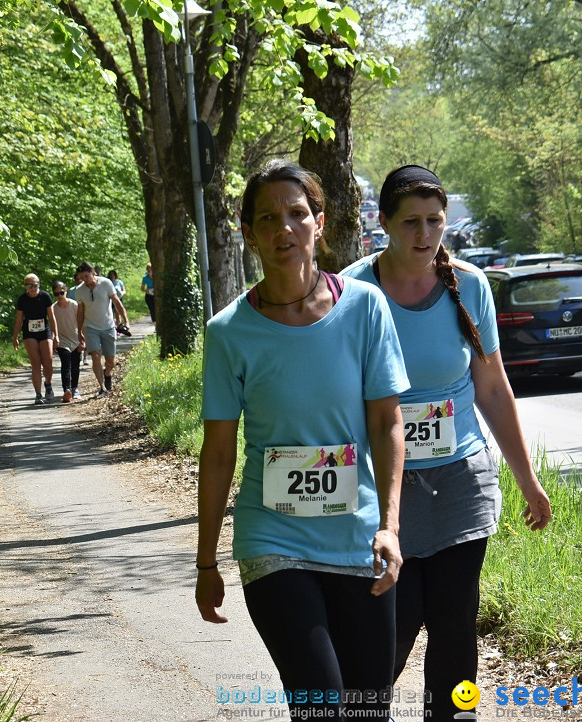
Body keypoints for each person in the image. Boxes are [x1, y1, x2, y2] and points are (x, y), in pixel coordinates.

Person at [196, 159, 409, 722]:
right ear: (249, 232)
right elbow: (218, 453)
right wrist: (205, 563)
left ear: (320, 222)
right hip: (274, 537)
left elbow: (388, 423)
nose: (283, 229)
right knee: (320, 703)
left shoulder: (366, 308)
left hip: (356, 535)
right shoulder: (228, 333)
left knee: (369, 709)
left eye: (297, 214)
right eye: (268, 218)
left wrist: (389, 525)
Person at [341, 165, 553, 720]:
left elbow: (492, 386)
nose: (425, 234)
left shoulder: (469, 284)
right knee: (392, 627)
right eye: (410, 221)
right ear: (382, 223)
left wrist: (527, 480)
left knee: (456, 628)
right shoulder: (352, 290)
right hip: (387, 488)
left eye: (435, 221)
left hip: (461, 478)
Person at [76, 262, 129, 398]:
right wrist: (79, 332)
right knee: (95, 355)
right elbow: (80, 312)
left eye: (86, 276)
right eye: (81, 278)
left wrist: (126, 320)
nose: (85, 280)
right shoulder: (80, 290)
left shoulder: (106, 284)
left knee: (110, 361)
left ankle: (107, 374)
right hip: (90, 327)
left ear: (93, 273)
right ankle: (102, 387)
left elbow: (117, 302)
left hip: (108, 326)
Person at [12, 273, 58, 405]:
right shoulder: (22, 299)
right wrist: (15, 337)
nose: (33, 287)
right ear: (25, 286)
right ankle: (38, 394)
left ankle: (48, 384)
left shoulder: (45, 296)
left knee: (48, 361)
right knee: (36, 363)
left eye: (36, 284)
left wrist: (56, 335)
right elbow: (19, 319)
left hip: (45, 331)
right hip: (29, 332)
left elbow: (52, 317)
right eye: (30, 285)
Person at [51, 280, 83, 402]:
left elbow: (81, 322)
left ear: (66, 291)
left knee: (75, 364)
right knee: (66, 363)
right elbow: (51, 325)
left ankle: (75, 388)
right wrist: (54, 339)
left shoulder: (74, 305)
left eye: (61, 293)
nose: (59, 296)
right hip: (62, 340)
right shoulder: (53, 308)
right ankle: (67, 390)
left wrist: (82, 339)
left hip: (75, 338)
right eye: (56, 294)